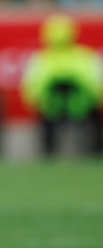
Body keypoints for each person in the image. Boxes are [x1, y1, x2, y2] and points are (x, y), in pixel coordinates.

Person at [21, 14, 103, 156]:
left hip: (77, 107)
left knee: (92, 121)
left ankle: (91, 151)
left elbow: (31, 89)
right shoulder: (84, 57)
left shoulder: (41, 59)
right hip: (56, 108)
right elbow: (97, 85)